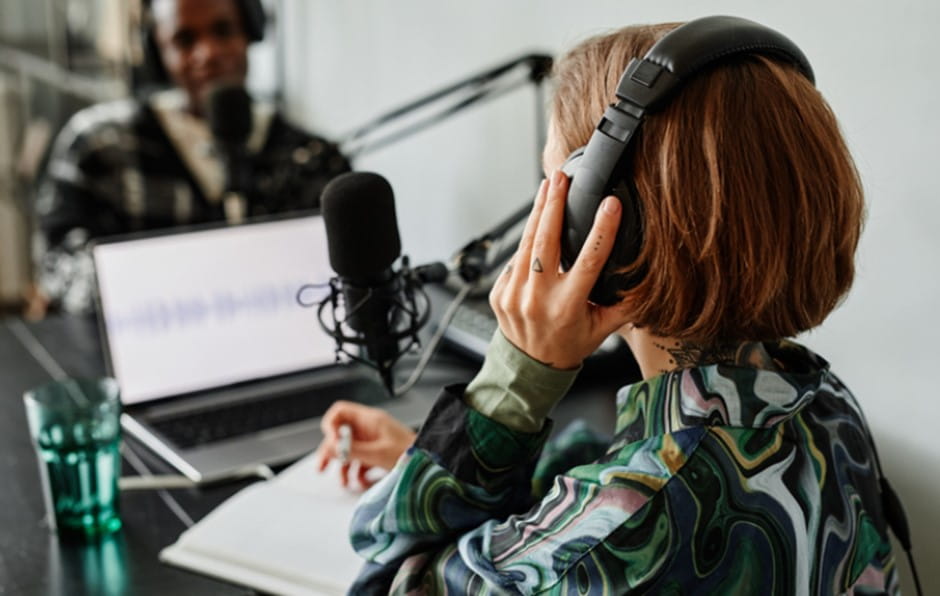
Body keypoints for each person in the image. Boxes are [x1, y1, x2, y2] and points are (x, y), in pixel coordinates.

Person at [315, 19, 898, 594]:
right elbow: (609, 473)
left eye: (552, 187)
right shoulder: (823, 408)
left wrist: (511, 384)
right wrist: (455, 464)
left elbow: (383, 575)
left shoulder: (614, 540)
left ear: (599, 225)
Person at [30, 0, 350, 315]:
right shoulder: (100, 146)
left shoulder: (310, 156)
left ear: (251, 30)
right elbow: (57, 262)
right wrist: (159, 285)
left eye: (223, 31)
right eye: (184, 40)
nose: (207, 54)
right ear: (156, 51)